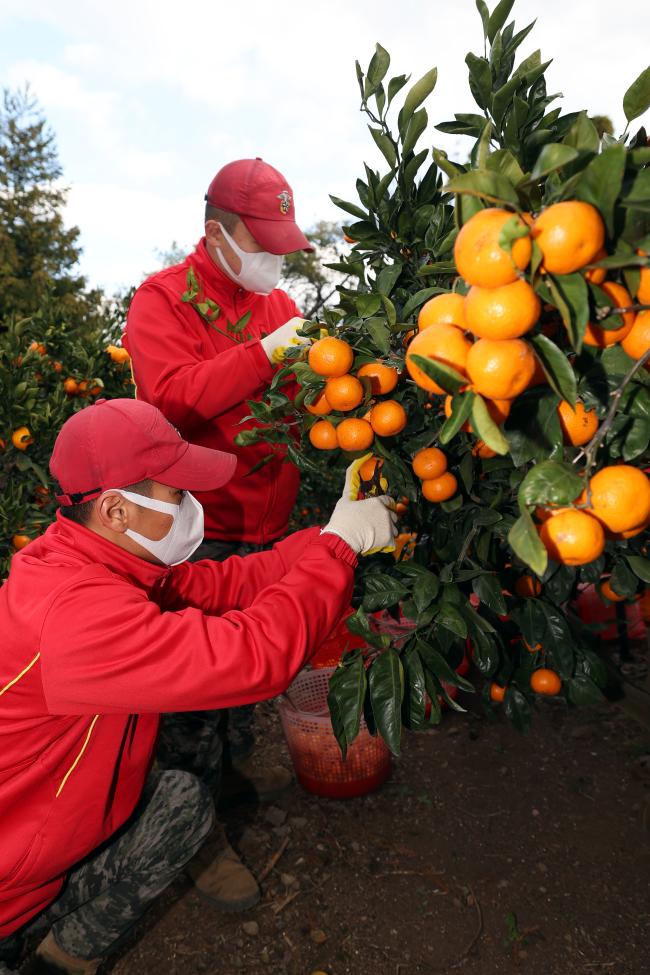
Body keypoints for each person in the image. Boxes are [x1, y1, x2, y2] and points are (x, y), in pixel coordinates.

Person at [0, 397, 397, 974]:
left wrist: (328, 535)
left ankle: (63, 956)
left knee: (181, 803)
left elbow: (222, 583)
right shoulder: (74, 617)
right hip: (12, 886)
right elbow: (252, 655)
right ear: (116, 509)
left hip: (55, 841)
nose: (192, 505)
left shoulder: (94, 561)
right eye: (177, 494)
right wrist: (337, 552)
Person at [124, 157, 316, 908]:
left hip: (267, 525)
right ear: (217, 232)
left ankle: (231, 779)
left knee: (245, 676)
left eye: (280, 244)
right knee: (191, 695)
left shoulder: (280, 307)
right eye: (261, 243)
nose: (274, 260)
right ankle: (193, 836)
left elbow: (303, 404)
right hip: (203, 531)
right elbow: (168, 404)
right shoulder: (163, 300)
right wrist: (262, 356)